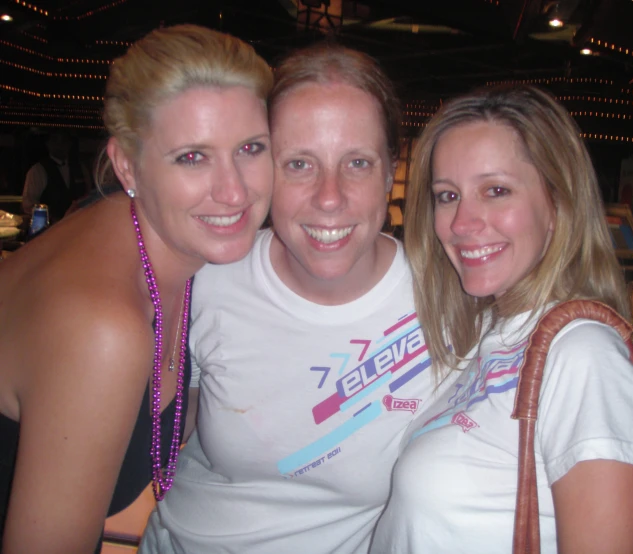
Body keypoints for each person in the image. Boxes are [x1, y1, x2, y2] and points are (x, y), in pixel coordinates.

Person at [139, 43, 440, 554]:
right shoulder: (210, 280)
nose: (329, 196)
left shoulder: (446, 302)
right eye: (299, 164)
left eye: (358, 163)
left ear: (391, 172)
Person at [0, 24, 273, 553]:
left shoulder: (176, 255)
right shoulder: (103, 326)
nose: (234, 190)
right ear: (126, 163)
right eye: (192, 157)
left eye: (250, 148)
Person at [371, 85, 633, 553]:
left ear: (558, 203)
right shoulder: (492, 335)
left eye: (496, 190)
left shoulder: (583, 356)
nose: (462, 222)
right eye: (448, 195)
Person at [21, 129, 91, 223]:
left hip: (78, 226)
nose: (60, 144)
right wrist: (50, 218)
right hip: (50, 229)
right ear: (47, 143)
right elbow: (28, 204)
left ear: (70, 144)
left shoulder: (81, 169)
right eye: (55, 140)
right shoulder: (37, 171)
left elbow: (89, 197)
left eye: (64, 140)